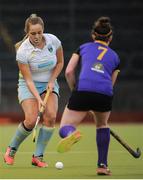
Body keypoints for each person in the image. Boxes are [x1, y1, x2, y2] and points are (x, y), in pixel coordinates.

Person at [57, 16, 120, 175]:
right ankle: (102, 166)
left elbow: (69, 71)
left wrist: (76, 92)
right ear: (110, 38)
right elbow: (111, 83)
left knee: (64, 127)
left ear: (93, 35)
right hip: (104, 95)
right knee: (102, 125)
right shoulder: (115, 57)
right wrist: (97, 104)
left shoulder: (83, 47)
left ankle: (72, 134)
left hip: (83, 89)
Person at [4, 14, 64, 167]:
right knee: (31, 121)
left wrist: (52, 80)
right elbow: (28, 80)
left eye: (39, 32)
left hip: (49, 83)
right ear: (27, 33)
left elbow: (61, 62)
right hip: (28, 85)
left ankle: (38, 156)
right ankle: (11, 149)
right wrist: (39, 99)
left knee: (50, 116)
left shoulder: (53, 41)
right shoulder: (23, 52)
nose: (37, 36)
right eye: (33, 33)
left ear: (43, 30)